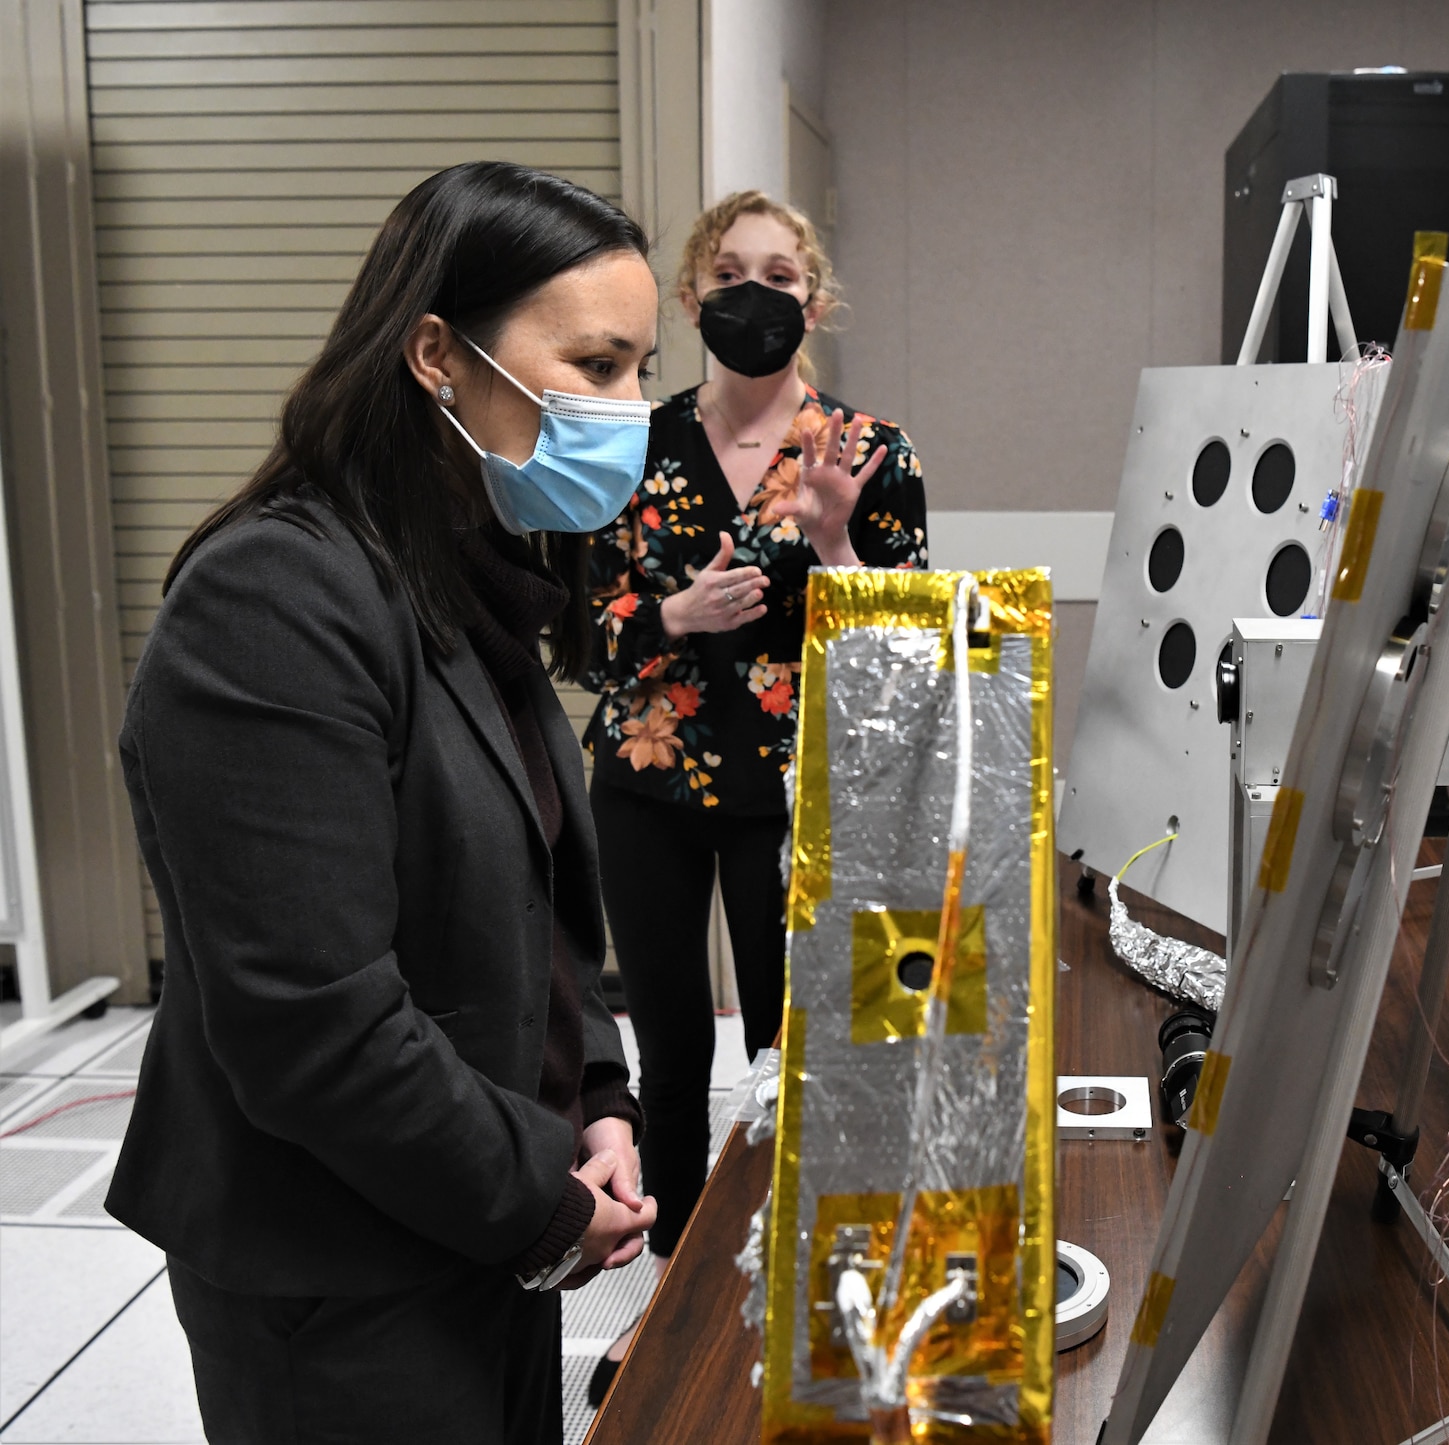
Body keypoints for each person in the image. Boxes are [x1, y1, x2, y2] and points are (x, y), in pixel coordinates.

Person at [107, 162, 661, 1445]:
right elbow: (313, 1019)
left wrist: (598, 1101)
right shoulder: (273, 601)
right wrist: (542, 1198)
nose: (630, 409)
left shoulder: (461, 570)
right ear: (434, 355)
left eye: (640, 366)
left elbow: (534, 905)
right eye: (595, 365)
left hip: (475, 1216)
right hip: (340, 1263)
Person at [582, 191, 926, 1395]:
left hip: (797, 794)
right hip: (647, 784)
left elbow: (909, 648)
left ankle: (794, 1298)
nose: (752, 291)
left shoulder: (867, 451)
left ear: (812, 301)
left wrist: (834, 547)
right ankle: (676, 1295)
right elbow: (573, 626)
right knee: (669, 1047)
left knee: (797, 1053)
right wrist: (669, 613)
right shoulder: (626, 442)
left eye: (778, 274)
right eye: (728, 271)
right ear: (689, 296)